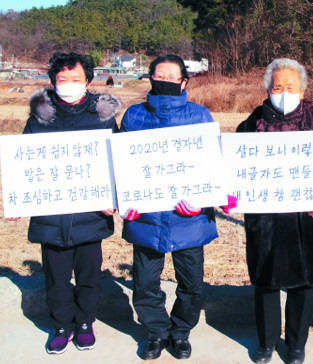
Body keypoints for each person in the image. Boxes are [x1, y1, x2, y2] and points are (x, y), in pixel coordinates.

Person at [119, 54, 237, 360]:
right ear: (150, 78)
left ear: (184, 81)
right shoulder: (133, 116)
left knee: (191, 283)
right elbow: (122, 167)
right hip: (145, 217)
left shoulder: (200, 115)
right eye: (161, 76)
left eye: (173, 77)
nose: (166, 81)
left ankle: (181, 331)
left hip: (189, 217)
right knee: (145, 284)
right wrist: (125, 202)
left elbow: (211, 165)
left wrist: (201, 199)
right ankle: (157, 332)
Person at [4, 52, 121, 354]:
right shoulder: (39, 118)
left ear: (88, 81)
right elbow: (24, 165)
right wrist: (15, 199)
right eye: (62, 80)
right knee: (56, 278)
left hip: (90, 215)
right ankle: (60, 325)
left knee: (89, 276)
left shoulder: (103, 117)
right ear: (53, 82)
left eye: (75, 79)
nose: (68, 84)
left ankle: (84, 323)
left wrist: (114, 197)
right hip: (50, 216)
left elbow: (118, 163)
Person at [236, 58, 313, 364]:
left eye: (290, 87)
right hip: (266, 218)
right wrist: (231, 194)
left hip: (307, 217)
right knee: (265, 281)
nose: (284, 92)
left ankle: (297, 344)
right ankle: (266, 342)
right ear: (267, 89)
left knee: (304, 281)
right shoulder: (252, 123)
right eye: (278, 87)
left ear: (303, 88)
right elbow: (237, 167)